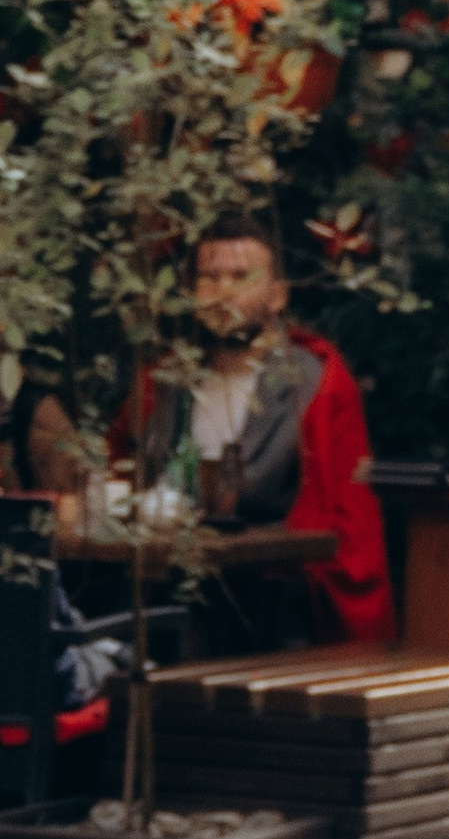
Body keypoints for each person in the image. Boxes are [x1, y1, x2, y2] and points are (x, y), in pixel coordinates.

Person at [137, 213, 397, 649]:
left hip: (273, 598)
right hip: (169, 586)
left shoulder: (313, 382)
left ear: (277, 296)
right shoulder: (167, 384)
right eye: (209, 278)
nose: (223, 292)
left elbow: (341, 514)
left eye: (241, 277)